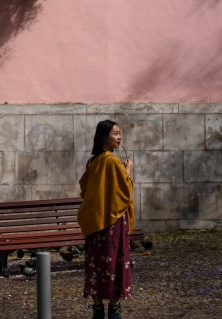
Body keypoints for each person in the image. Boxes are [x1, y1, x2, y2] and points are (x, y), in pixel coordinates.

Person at [77, 120, 135, 319]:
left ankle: (98, 311)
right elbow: (124, 191)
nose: (120, 137)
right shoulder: (110, 162)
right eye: (116, 133)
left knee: (96, 266)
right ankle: (114, 311)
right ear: (105, 137)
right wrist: (127, 171)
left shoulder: (92, 162)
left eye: (120, 134)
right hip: (112, 224)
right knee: (113, 267)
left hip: (95, 224)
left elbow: (86, 191)